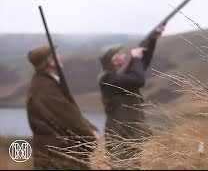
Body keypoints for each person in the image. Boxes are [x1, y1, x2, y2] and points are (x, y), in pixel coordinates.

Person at [98, 25, 165, 169]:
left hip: (129, 132)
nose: (125, 55)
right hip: (121, 135)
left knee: (133, 166)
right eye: (121, 53)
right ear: (113, 60)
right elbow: (138, 79)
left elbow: (141, 66)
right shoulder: (108, 79)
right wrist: (135, 58)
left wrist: (152, 40)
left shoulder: (117, 76)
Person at [26, 44, 101, 170]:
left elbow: (73, 113)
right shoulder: (45, 89)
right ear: (50, 63)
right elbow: (70, 119)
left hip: (59, 156)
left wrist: (91, 129)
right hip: (57, 159)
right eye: (55, 55)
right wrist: (91, 135)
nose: (60, 56)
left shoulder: (47, 83)